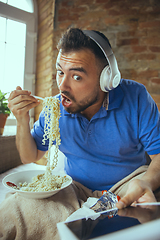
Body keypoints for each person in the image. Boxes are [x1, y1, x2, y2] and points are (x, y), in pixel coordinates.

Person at [8, 28, 160, 209]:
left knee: (147, 204)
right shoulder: (54, 108)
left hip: (127, 185)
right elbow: (30, 156)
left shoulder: (136, 97)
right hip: (74, 188)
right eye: (60, 72)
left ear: (106, 79)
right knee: (17, 208)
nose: (62, 86)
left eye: (77, 77)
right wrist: (21, 119)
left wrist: (147, 183)